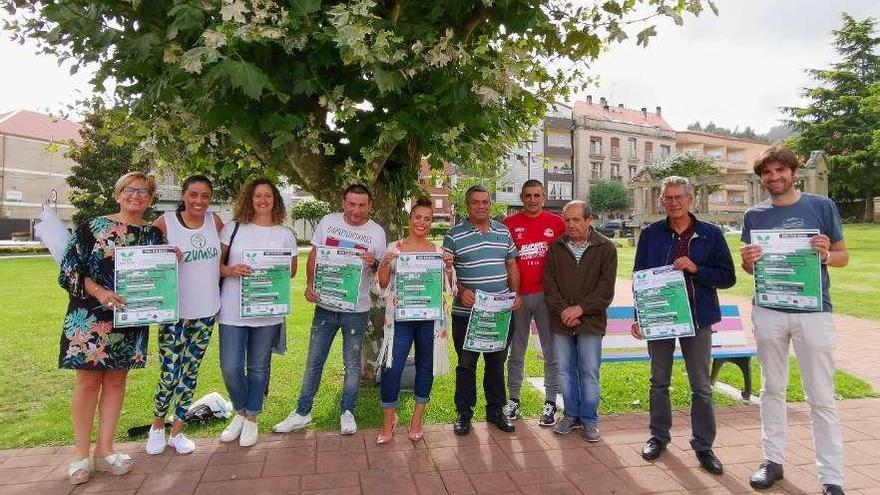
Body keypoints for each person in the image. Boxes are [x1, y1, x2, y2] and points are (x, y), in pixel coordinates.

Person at [740, 147, 849, 495]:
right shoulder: (754, 215)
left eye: (780, 171)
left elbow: (843, 256)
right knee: (772, 388)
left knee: (821, 395)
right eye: (767, 173)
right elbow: (749, 267)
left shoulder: (821, 206)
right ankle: (772, 460)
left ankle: (832, 478)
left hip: (814, 311)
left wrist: (826, 254)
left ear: (793, 172)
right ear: (762, 178)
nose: (774, 178)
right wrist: (748, 260)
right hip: (769, 309)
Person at [59, 172, 165, 484]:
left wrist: (171, 261)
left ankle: (105, 450)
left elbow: (159, 275)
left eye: (143, 192)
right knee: (87, 383)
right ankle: (80, 454)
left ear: (149, 199)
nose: (136, 196)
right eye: (130, 190)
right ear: (118, 194)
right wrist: (100, 292)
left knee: (117, 382)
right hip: (91, 317)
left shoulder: (152, 236)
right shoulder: (93, 226)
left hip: (130, 320)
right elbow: (69, 270)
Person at [631, 176, 734, 475]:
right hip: (661, 317)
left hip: (698, 318)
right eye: (668, 198)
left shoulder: (710, 234)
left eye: (679, 197)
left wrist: (696, 268)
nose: (673, 202)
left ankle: (703, 445)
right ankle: (658, 436)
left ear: (690, 200)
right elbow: (640, 276)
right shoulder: (651, 234)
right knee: (658, 380)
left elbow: (727, 277)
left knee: (701, 386)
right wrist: (640, 315)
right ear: (661, 201)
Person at [274, 184, 386, 435]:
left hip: (357, 309)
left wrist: (375, 262)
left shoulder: (377, 233)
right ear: (343, 203)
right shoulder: (328, 222)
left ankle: (348, 412)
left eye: (362, 205)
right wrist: (310, 285)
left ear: (369, 206)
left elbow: (382, 273)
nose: (356, 210)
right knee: (314, 362)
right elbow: (315, 255)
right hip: (325, 306)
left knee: (352, 365)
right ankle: (302, 412)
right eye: (352, 204)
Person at [145, 175, 224, 455]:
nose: (199, 201)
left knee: (190, 373)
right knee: (169, 373)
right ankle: (156, 428)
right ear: (183, 194)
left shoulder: (216, 222)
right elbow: (144, 258)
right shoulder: (165, 222)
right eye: (193, 195)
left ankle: (177, 431)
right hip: (174, 313)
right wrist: (166, 254)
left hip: (206, 311)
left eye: (205, 195)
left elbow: (222, 263)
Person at [217, 178, 297, 447]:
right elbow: (216, 266)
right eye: (257, 196)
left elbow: (292, 271)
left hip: (268, 311)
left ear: (276, 200)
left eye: (268, 196)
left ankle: (251, 418)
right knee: (230, 366)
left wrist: (272, 269)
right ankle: (240, 410)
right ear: (249, 199)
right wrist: (231, 270)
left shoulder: (285, 233)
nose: (263, 200)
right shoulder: (233, 228)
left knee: (258, 367)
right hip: (233, 309)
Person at [374, 196, 455, 444]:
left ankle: (417, 420)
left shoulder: (439, 252)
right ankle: (389, 419)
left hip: (429, 321)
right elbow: (381, 287)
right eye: (418, 217)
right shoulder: (394, 248)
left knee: (425, 368)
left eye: (427, 219)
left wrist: (449, 268)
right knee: (391, 369)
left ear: (432, 222)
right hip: (400, 319)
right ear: (410, 219)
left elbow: (451, 289)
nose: (422, 222)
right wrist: (385, 265)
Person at [443, 185, 522, 436]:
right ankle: (464, 414)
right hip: (466, 314)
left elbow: (511, 264)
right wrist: (460, 289)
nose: (481, 206)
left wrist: (515, 294)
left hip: (499, 312)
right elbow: (446, 273)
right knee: (466, 364)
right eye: (475, 202)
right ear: (468, 206)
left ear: (490, 204)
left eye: (485, 202)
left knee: (496, 362)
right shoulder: (453, 235)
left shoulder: (503, 231)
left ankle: (495, 412)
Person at [543, 200, 617, 442]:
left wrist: (580, 310)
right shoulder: (555, 247)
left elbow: (605, 290)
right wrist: (565, 310)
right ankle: (571, 416)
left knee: (589, 372)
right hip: (561, 320)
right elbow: (550, 285)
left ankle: (589, 420)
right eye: (567, 220)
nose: (571, 225)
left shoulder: (606, 248)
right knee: (564, 372)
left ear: (589, 220)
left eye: (577, 220)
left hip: (591, 322)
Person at [502, 180, 565, 425]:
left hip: (546, 296)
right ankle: (514, 400)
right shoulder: (509, 224)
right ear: (521, 196)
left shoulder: (556, 222)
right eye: (528, 195)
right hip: (517, 296)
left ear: (544, 196)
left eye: (537, 195)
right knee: (516, 351)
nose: (532, 200)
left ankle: (550, 402)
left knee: (551, 350)